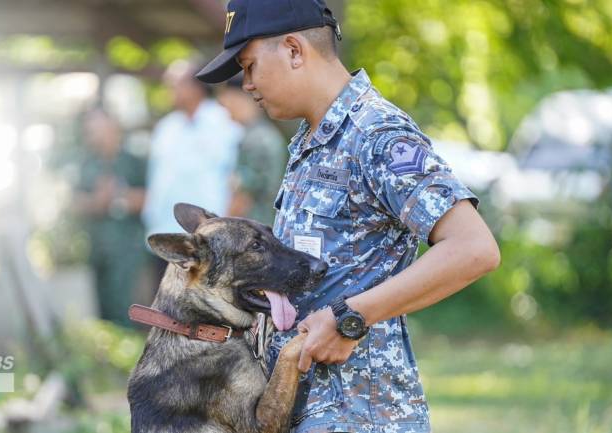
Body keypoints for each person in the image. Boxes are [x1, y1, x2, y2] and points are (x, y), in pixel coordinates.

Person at [196, 1, 501, 432]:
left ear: (294, 50)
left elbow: (474, 249)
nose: (245, 85)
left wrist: (349, 317)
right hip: (304, 409)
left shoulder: (376, 135)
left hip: (361, 415)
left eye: (249, 67)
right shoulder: (311, 140)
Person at [142, 59, 242, 281]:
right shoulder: (166, 127)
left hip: (205, 238)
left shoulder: (224, 122)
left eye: (175, 83)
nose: (170, 90)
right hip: (165, 234)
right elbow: (156, 178)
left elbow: (237, 179)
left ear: (196, 86)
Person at [73, 108, 147, 328]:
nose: (92, 134)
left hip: (129, 248)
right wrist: (97, 201)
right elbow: (76, 203)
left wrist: (119, 196)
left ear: (113, 127)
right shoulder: (87, 163)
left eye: (97, 128)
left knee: (128, 309)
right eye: (89, 129)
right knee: (102, 310)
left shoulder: (135, 160)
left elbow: (151, 198)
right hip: (98, 247)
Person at [218, 74, 287, 225]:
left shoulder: (256, 140)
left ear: (241, 98)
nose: (222, 103)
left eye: (226, 96)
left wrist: (222, 227)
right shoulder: (259, 134)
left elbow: (243, 197)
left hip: (252, 233)